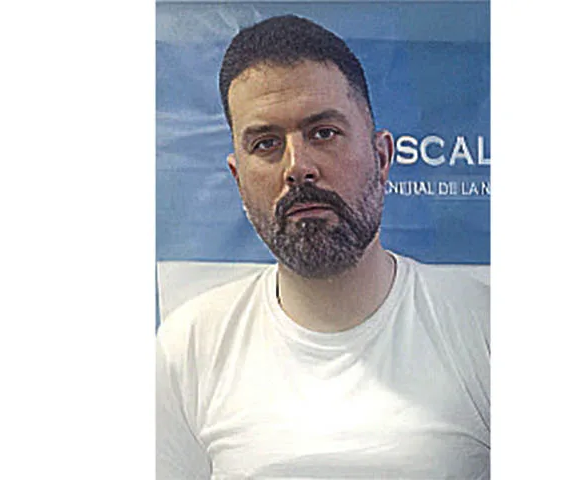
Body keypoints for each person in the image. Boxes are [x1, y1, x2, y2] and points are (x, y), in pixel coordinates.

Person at [156, 15, 489, 479]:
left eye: (323, 133)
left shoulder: (483, 326)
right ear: (238, 177)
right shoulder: (189, 346)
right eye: (266, 143)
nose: (298, 167)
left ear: (382, 157)